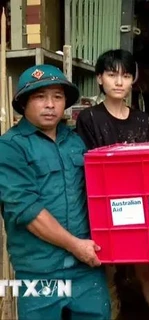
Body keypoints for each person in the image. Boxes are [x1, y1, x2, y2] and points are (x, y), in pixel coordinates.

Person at [0, 64, 111, 319]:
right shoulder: (10, 148)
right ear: (24, 103)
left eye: (57, 97)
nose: (50, 104)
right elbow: (28, 211)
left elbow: (95, 196)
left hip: (86, 269)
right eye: (40, 97)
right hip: (39, 272)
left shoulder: (75, 142)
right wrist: (75, 246)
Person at [75, 49, 149, 319]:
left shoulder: (143, 120)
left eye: (125, 76)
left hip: (141, 206)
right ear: (100, 79)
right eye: (112, 75)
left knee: (146, 270)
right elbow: (88, 165)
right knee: (108, 272)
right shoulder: (89, 118)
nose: (119, 82)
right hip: (106, 207)